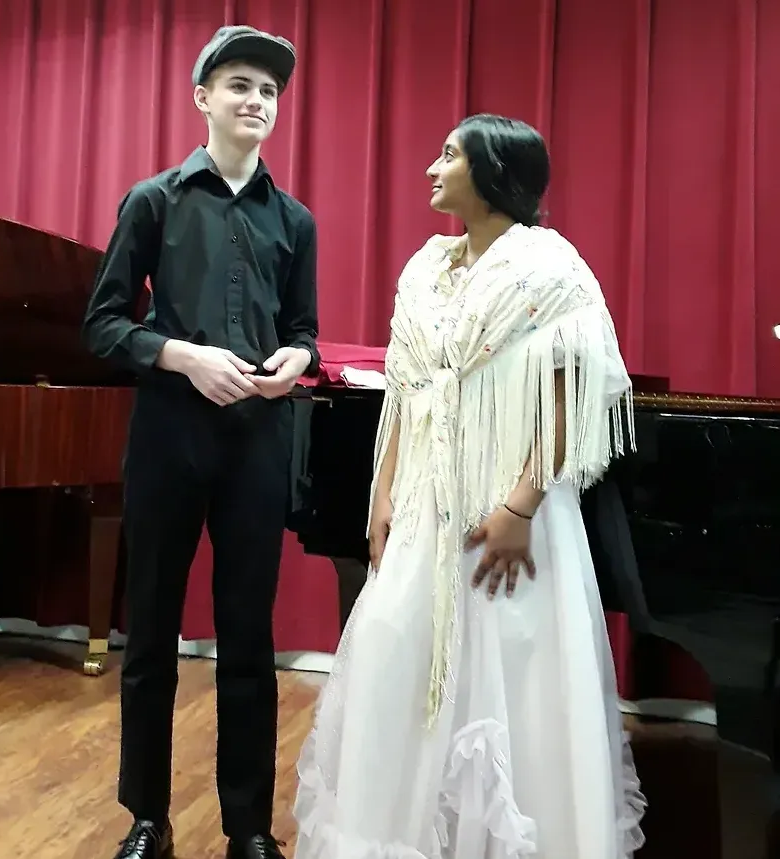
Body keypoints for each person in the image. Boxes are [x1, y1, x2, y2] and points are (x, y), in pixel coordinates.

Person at [291, 114, 647, 858]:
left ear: (492, 173)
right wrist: (382, 491)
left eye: (448, 154)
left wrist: (519, 505)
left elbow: (568, 399)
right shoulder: (424, 267)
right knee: (398, 658)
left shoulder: (550, 269)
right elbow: (403, 390)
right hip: (423, 504)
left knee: (514, 676)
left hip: (509, 514)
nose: (432, 166)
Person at [82, 25, 319, 859]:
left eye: (269, 91)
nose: (257, 101)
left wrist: (299, 358)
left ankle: (248, 826)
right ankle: (147, 817)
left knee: (248, 639)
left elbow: (304, 331)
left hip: (257, 443)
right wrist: (178, 354)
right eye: (241, 85)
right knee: (149, 635)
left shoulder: (295, 220)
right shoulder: (152, 201)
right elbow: (103, 325)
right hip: (167, 440)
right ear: (202, 99)